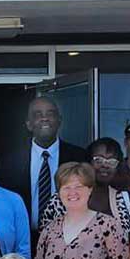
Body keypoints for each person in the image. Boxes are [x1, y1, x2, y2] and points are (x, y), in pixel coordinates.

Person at [16, 96, 86, 235]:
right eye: (38, 115)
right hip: (25, 239)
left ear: (59, 120)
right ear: (29, 124)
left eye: (50, 114)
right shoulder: (11, 161)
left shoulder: (79, 157)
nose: (44, 118)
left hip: (68, 237)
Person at [49, 139, 130, 236]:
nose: (105, 165)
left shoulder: (125, 200)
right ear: (87, 163)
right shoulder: (63, 198)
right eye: (98, 160)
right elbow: (45, 242)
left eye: (111, 161)